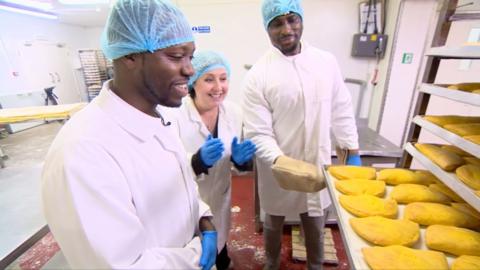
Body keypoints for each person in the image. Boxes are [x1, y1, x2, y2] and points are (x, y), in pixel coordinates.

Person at [41, 1, 218, 269]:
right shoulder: (84, 151)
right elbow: (124, 265)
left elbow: (180, 184)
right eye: (175, 56)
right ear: (130, 56)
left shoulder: (161, 117)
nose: (190, 70)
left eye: (190, 57)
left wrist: (203, 219)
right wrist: (195, 254)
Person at [242, 0, 362, 269]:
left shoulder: (325, 62)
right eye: (276, 23)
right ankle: (271, 263)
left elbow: (341, 107)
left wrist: (352, 150)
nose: (286, 29)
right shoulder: (258, 75)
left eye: (292, 19)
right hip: (277, 169)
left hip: (318, 163)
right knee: (273, 222)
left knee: (315, 222)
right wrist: (283, 164)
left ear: (301, 20)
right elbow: (257, 132)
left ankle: (315, 265)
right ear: (266, 28)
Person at [162, 50, 257, 270]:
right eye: (209, 79)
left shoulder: (234, 113)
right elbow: (165, 163)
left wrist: (242, 161)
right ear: (194, 82)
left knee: (221, 247)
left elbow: (238, 159)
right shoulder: (173, 116)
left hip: (221, 199)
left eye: (223, 79)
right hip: (186, 203)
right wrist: (197, 161)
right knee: (193, 255)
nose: (218, 87)